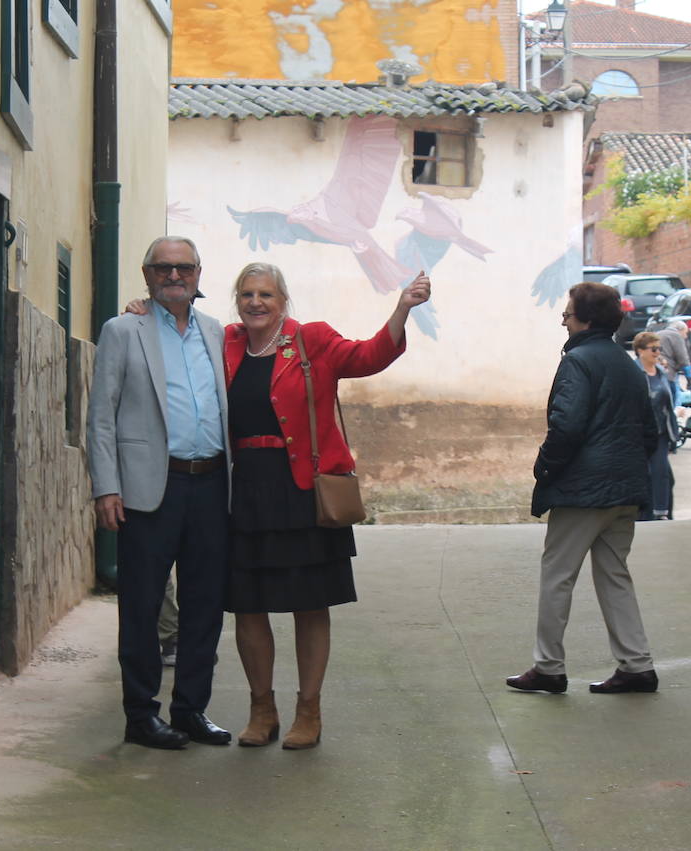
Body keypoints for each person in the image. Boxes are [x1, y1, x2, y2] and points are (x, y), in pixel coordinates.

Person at [132, 263, 432, 748]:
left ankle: (308, 712)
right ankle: (262, 710)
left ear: (283, 300)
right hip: (242, 491)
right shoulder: (223, 341)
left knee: (309, 606)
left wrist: (401, 310)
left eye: (266, 294)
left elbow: (368, 356)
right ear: (237, 301)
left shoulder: (311, 339)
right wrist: (146, 311)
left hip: (303, 491)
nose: (256, 302)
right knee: (249, 608)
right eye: (247, 294)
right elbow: (177, 339)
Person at [88, 236, 233, 750]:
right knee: (143, 605)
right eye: (164, 268)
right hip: (149, 487)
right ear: (146, 274)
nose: (175, 275)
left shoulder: (217, 332)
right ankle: (141, 715)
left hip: (213, 485)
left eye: (184, 267)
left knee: (205, 605)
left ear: (198, 273)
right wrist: (106, 486)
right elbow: (101, 416)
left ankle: (191, 709)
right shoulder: (124, 330)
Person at [505, 281, 660, 696]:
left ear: (585, 319)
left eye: (567, 314)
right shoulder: (627, 365)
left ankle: (549, 667)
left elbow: (567, 425)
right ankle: (637, 665)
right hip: (625, 489)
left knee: (557, 575)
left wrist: (545, 467)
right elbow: (650, 433)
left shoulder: (578, 362)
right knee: (614, 576)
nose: (564, 321)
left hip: (582, 490)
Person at [634, 331, 678, 521]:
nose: (657, 352)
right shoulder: (633, 373)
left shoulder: (661, 373)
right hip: (639, 434)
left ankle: (662, 513)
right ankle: (645, 514)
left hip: (661, 433)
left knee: (663, 475)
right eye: (653, 349)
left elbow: (669, 405)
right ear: (640, 351)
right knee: (647, 475)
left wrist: (673, 434)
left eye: (659, 348)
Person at [657, 320, 691, 390]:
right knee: (675, 398)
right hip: (669, 372)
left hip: (657, 371)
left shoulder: (658, 333)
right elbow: (683, 359)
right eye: (685, 333)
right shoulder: (676, 335)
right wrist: (690, 380)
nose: (685, 336)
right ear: (681, 330)